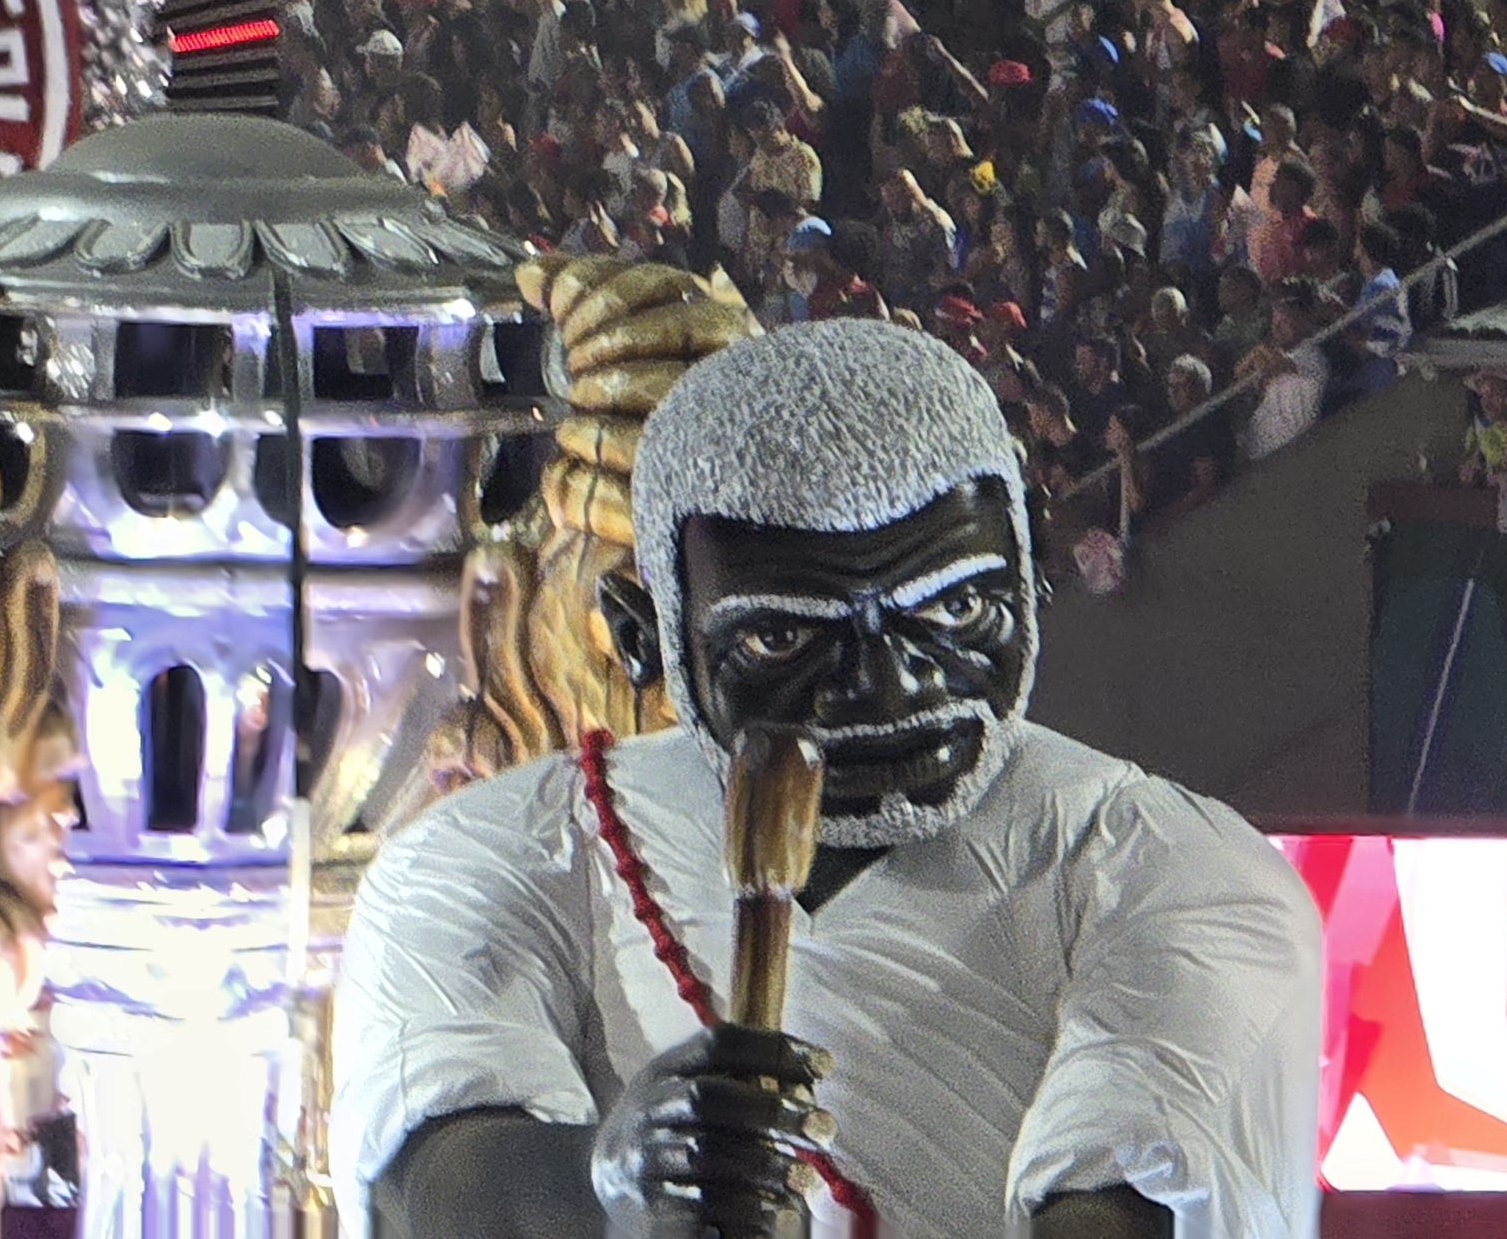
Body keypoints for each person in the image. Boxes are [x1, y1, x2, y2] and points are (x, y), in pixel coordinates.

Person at [335, 324, 1319, 1239]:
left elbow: (1140, 1199)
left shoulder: (1175, 868)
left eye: (959, 612)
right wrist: (609, 1177)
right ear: (645, 635)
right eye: (783, 637)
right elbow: (428, 1175)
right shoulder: (488, 855)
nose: (888, 685)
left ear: (1032, 562)